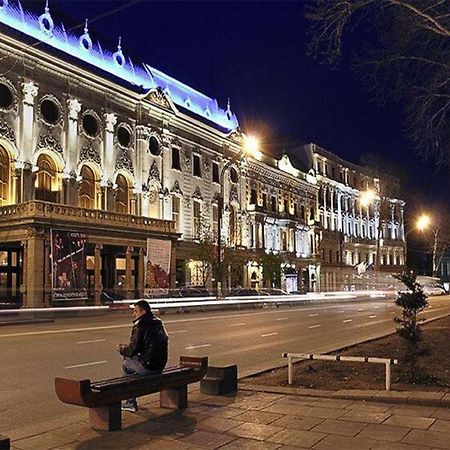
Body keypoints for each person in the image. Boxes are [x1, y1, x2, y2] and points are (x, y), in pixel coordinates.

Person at [116, 300, 169, 412]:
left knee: (126, 364)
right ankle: (130, 398)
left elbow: (132, 350)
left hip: (149, 366)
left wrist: (121, 348)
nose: (133, 314)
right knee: (131, 362)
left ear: (143, 311)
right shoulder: (158, 322)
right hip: (160, 365)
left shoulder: (140, 325)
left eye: (136, 311)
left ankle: (130, 402)